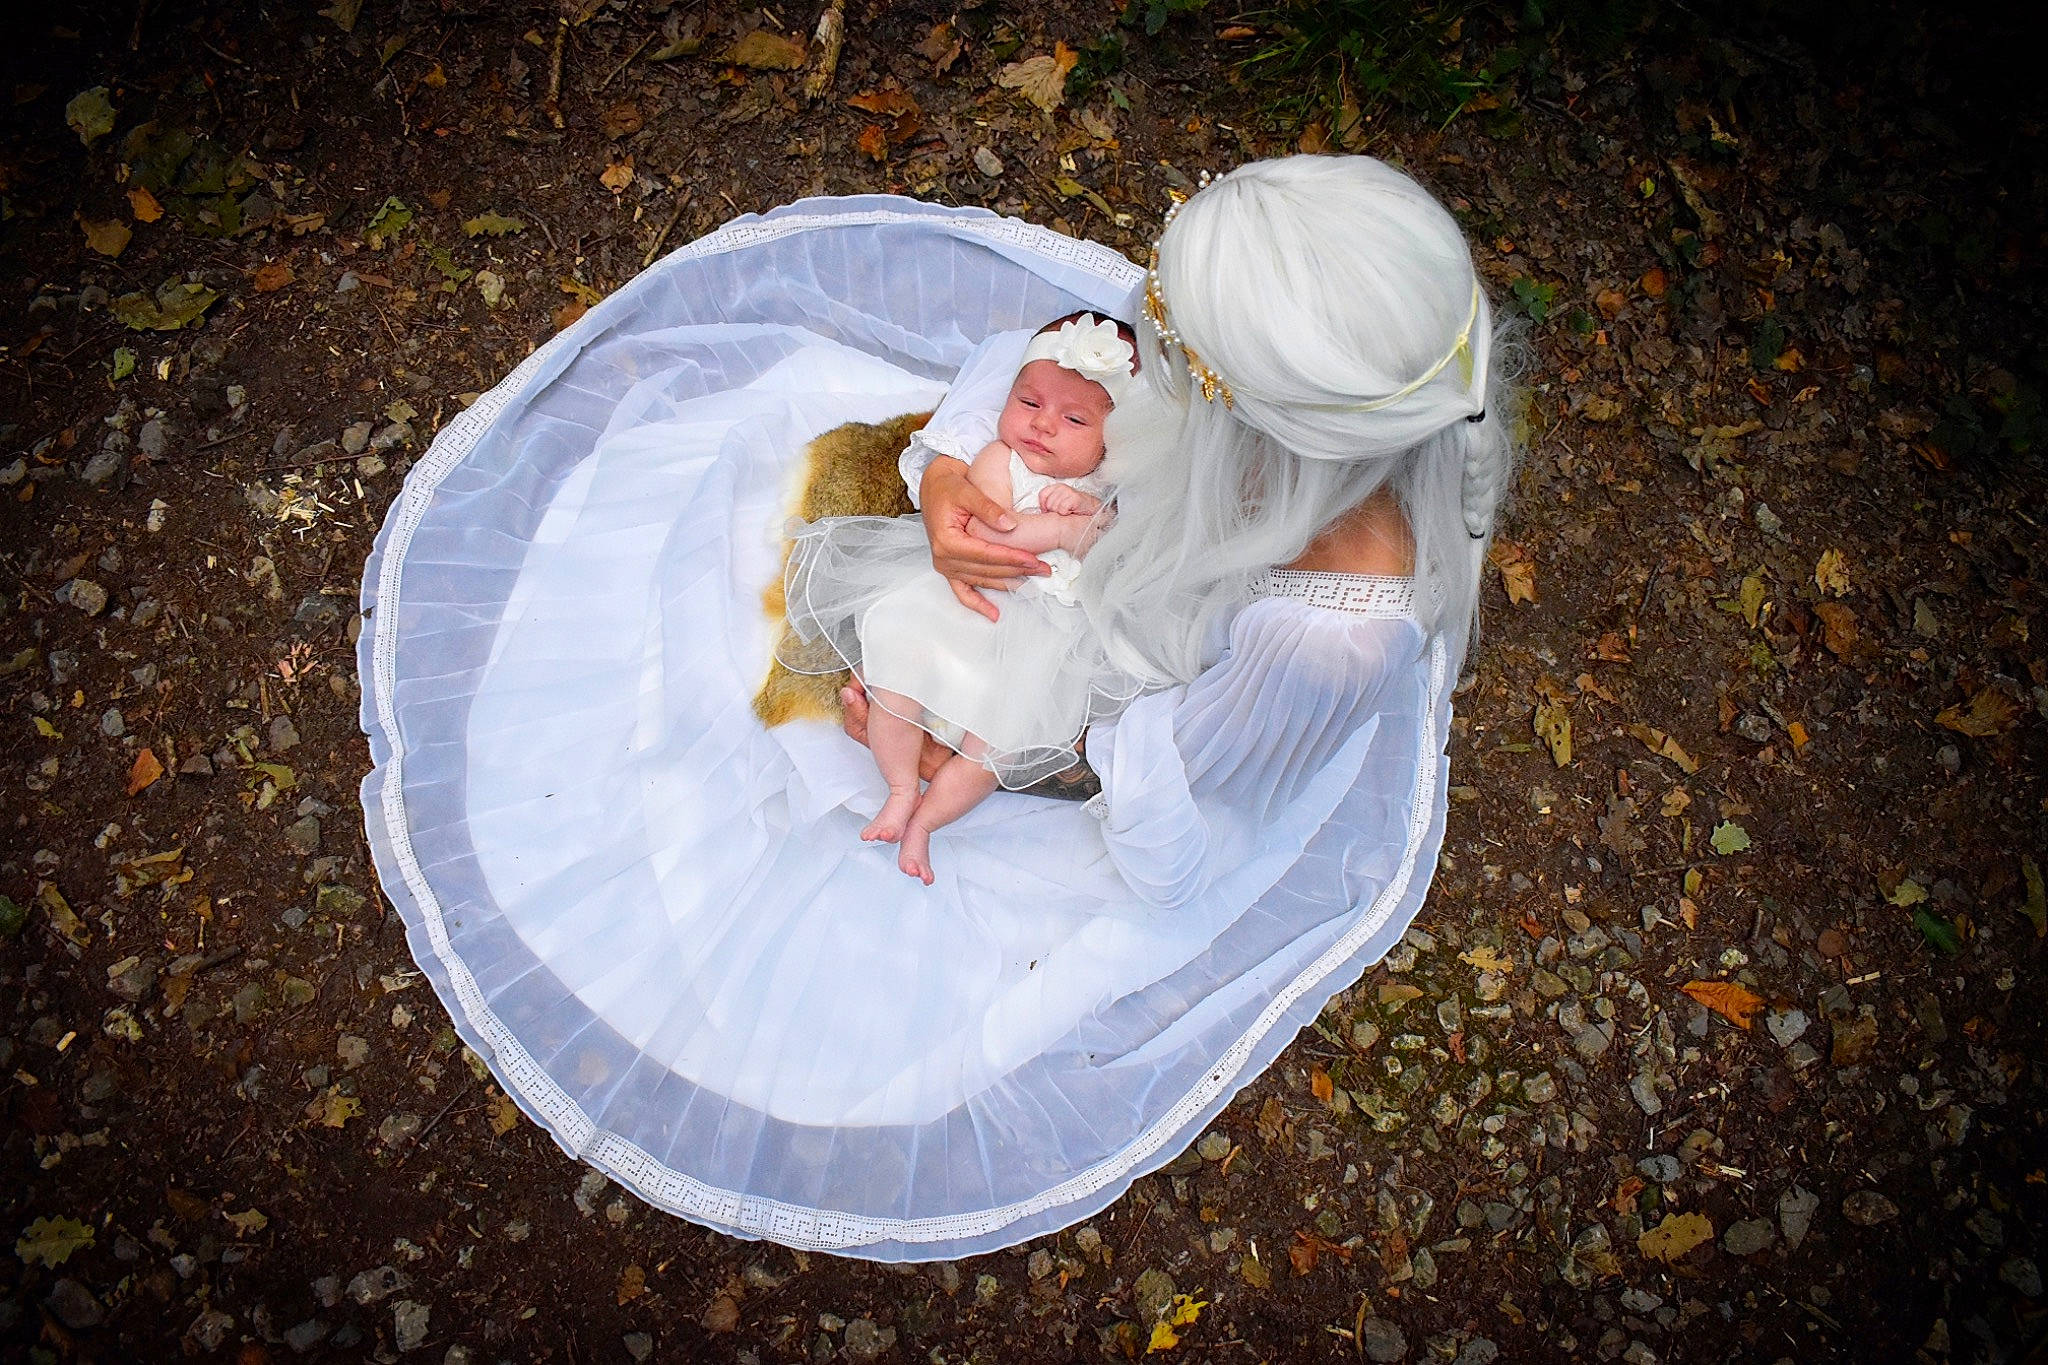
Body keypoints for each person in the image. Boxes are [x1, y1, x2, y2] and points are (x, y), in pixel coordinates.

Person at [356, 157, 1519, 1261]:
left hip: (1094, 701)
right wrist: (955, 470)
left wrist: (1002, 736)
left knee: (824, 804)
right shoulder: (1236, 399)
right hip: (1079, 565)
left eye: (1177, 358)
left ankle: (920, 767)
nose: (1145, 356)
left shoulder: (1318, 638)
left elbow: (1171, 846)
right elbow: (1066, 373)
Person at [779, 313, 1140, 883]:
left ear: (1111, 442)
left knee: (993, 746)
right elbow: (987, 532)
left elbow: (1115, 563)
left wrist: (1092, 523)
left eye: (1073, 418)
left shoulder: (1106, 493)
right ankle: (900, 788)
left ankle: (926, 823)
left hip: (1038, 640)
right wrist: (1064, 532)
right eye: (1028, 402)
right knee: (896, 680)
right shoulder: (1002, 460)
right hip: (958, 605)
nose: (1043, 425)